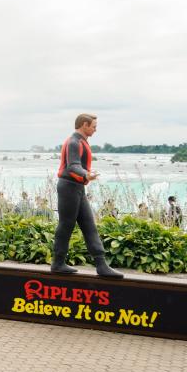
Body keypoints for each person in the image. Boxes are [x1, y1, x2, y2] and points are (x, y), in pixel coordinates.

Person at [51, 113, 122, 278]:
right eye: (94, 127)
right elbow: (72, 166)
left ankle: (101, 264)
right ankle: (58, 263)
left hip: (77, 187)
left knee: (89, 224)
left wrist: (84, 177)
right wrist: (86, 175)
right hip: (68, 187)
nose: (95, 130)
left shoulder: (82, 142)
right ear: (85, 125)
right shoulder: (74, 142)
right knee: (66, 225)